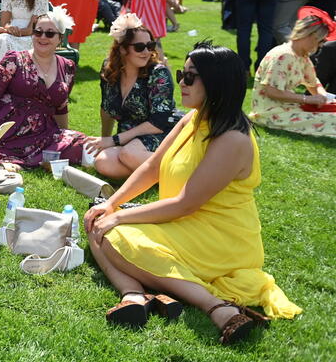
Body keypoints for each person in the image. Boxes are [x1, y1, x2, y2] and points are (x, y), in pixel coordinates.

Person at [84, 42, 302, 343]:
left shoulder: (232, 139)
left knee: (114, 233)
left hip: (219, 238)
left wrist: (119, 218)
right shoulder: (192, 118)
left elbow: (186, 203)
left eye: (190, 77)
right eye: (180, 74)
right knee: (97, 220)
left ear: (216, 83)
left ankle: (215, 307)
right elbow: (152, 168)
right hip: (182, 223)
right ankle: (134, 295)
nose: (181, 84)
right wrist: (111, 204)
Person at [0, 9, 86, 168]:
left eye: (50, 34)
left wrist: (65, 137)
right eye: (38, 32)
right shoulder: (14, 59)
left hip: (44, 134)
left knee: (82, 145)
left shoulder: (67, 66)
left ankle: (29, 159)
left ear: (60, 39)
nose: (42, 37)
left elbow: (61, 107)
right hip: (8, 131)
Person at [85, 14, 178, 179]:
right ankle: (153, 173)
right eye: (139, 47)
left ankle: (181, 175)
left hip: (162, 132)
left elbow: (159, 122)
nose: (146, 52)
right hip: (129, 138)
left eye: (150, 45)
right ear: (122, 49)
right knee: (103, 162)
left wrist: (113, 140)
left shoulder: (158, 73)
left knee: (129, 154)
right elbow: (106, 109)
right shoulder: (109, 69)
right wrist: (104, 140)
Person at [250, 12, 335, 138]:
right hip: (271, 114)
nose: (322, 45)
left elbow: (313, 82)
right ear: (309, 35)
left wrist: (323, 97)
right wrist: (307, 99)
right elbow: (272, 91)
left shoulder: (301, 55)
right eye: (321, 40)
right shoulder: (283, 56)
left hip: (289, 108)